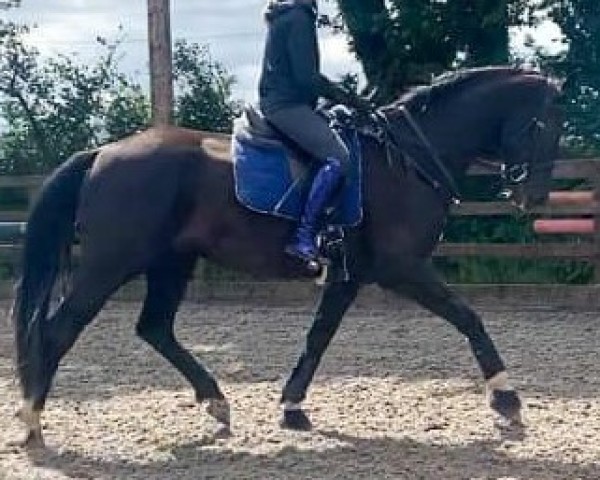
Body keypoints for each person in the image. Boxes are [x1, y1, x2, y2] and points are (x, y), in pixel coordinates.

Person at [257, 0, 370, 265]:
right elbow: (306, 78)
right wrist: (347, 97)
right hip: (287, 106)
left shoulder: (287, 14)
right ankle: (303, 237)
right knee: (339, 158)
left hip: (285, 101)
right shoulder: (299, 16)